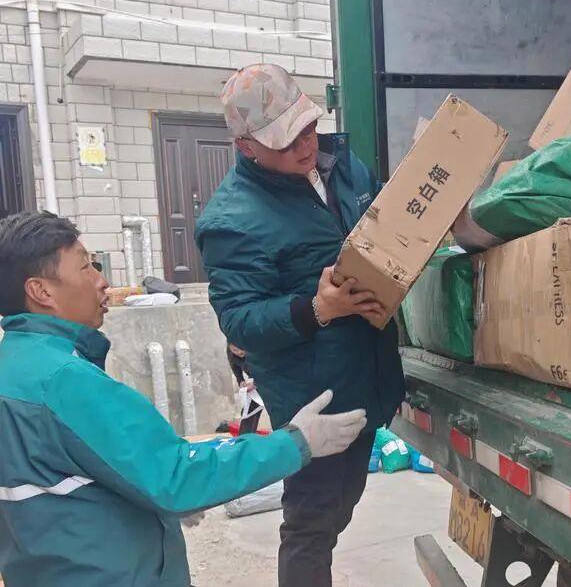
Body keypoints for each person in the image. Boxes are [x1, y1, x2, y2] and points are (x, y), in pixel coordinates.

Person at [0, 211, 368, 587]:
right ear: (41, 291)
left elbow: (67, 480)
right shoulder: (64, 381)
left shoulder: (11, 368)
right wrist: (295, 442)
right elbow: (175, 475)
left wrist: (150, 498)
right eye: (85, 267)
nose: (102, 280)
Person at [195, 64, 405, 587]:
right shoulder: (231, 219)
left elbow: (386, 216)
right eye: (286, 140)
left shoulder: (342, 165)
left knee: (341, 504)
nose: (305, 145)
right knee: (312, 523)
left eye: (308, 128)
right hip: (314, 395)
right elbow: (240, 319)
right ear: (246, 146)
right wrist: (317, 309)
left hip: (368, 372)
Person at [227, 342, 264, 434]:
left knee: (276, 409)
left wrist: (255, 382)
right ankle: (245, 437)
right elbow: (234, 365)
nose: (239, 352)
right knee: (249, 408)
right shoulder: (231, 353)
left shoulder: (257, 348)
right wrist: (241, 380)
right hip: (255, 378)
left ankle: (282, 436)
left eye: (241, 348)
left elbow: (267, 366)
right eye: (235, 350)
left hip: (272, 377)